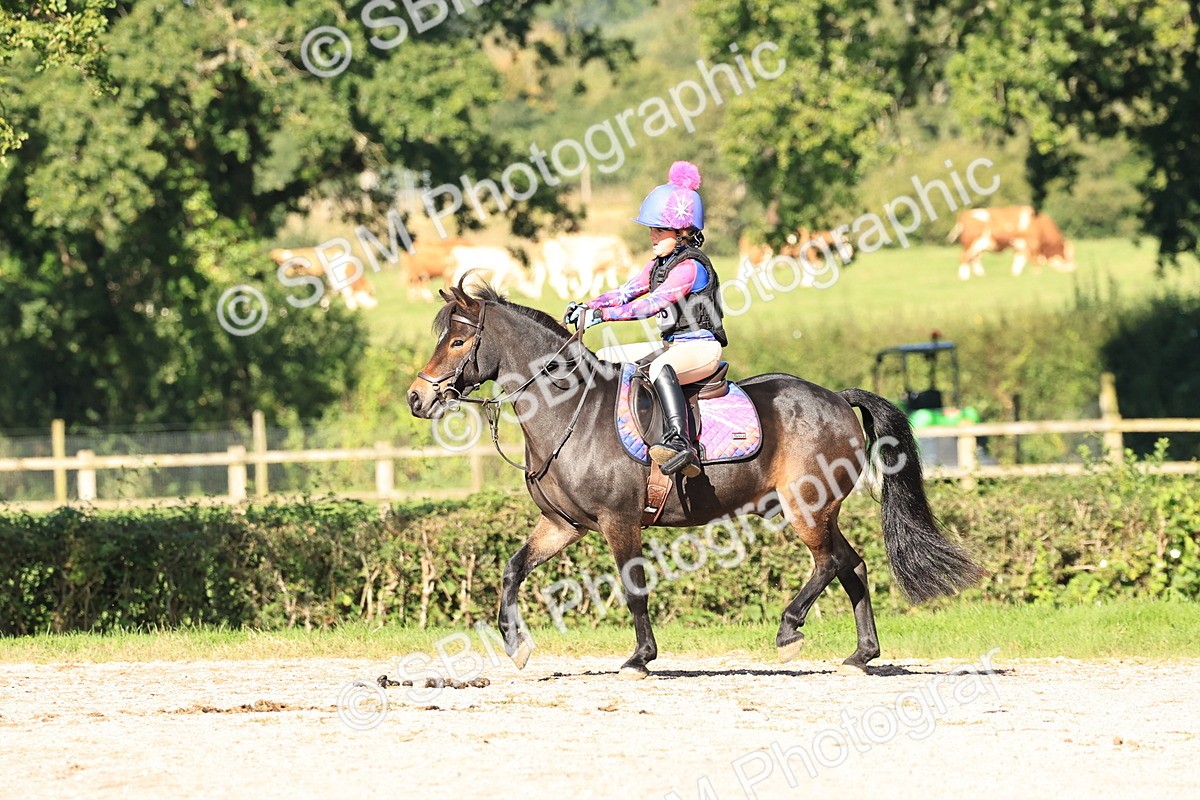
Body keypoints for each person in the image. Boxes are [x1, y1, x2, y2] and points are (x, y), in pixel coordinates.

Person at [563, 161, 726, 477]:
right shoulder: (658, 264)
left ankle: (681, 444)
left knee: (660, 369)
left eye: (658, 229)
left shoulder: (690, 267)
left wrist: (603, 316)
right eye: (651, 229)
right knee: (606, 358)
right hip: (674, 345)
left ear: (682, 232)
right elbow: (625, 293)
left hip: (701, 348)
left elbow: (653, 304)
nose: (651, 236)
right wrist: (587, 306)